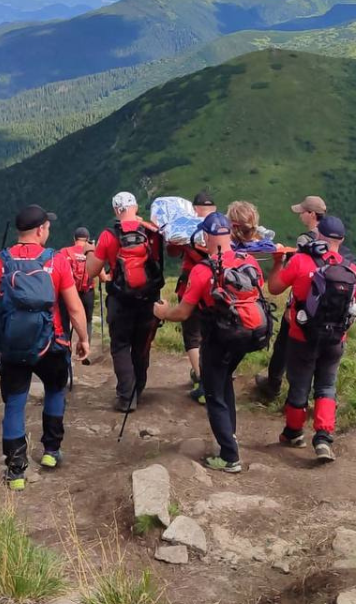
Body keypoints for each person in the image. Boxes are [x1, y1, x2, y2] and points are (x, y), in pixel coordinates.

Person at [0, 205, 90, 491]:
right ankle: (51, 451)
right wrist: (83, 339)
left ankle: (16, 471)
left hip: (12, 345)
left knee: (15, 403)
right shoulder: (56, 261)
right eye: (47, 226)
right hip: (51, 342)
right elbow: (74, 308)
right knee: (55, 390)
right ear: (40, 230)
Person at [155, 212, 272, 473]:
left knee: (213, 392)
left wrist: (162, 312)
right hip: (249, 334)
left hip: (219, 338)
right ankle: (229, 436)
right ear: (229, 233)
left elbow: (183, 312)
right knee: (224, 380)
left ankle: (229, 457)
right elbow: (258, 290)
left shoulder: (202, 270)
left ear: (206, 237)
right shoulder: (249, 260)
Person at [267, 215, 356, 463]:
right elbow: (354, 302)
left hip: (301, 336)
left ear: (319, 235)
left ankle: (293, 432)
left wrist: (277, 264)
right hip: (335, 340)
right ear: (341, 240)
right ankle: (323, 438)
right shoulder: (351, 270)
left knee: (299, 385)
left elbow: (274, 288)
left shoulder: (301, 261)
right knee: (327, 386)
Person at [85, 192, 165, 412]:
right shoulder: (152, 232)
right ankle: (139, 388)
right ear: (136, 207)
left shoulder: (109, 235)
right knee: (142, 346)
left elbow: (91, 271)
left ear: (115, 210)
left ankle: (127, 397)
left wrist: (90, 250)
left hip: (120, 300)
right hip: (149, 300)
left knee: (120, 346)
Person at [254, 195, 327, 401]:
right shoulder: (331, 236)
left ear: (311, 214)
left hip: (302, 303)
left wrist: (282, 261)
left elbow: (301, 275)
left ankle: (273, 385)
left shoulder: (305, 239)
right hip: (324, 304)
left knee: (283, 345)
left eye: (302, 212)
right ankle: (316, 395)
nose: (300, 215)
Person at [167, 190, 216, 403]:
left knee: (192, 335)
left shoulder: (186, 225)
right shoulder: (221, 226)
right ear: (214, 208)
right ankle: (217, 377)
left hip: (191, 284)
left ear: (194, 209)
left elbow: (172, 251)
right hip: (218, 287)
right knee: (214, 333)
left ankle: (202, 381)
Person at [59, 227, 99, 362]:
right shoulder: (92, 253)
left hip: (68, 291)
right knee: (87, 321)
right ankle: (85, 350)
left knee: (65, 321)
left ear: (74, 239)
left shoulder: (65, 252)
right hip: (87, 292)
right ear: (88, 239)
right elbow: (102, 276)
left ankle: (65, 349)